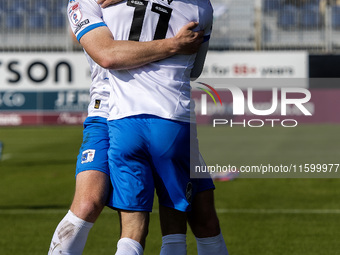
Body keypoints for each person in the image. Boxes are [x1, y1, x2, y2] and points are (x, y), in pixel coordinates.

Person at [66, 0, 229, 254]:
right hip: (123, 113)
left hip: (128, 117)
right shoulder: (200, 8)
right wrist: (174, 45)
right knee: (90, 204)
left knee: (198, 216)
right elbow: (107, 54)